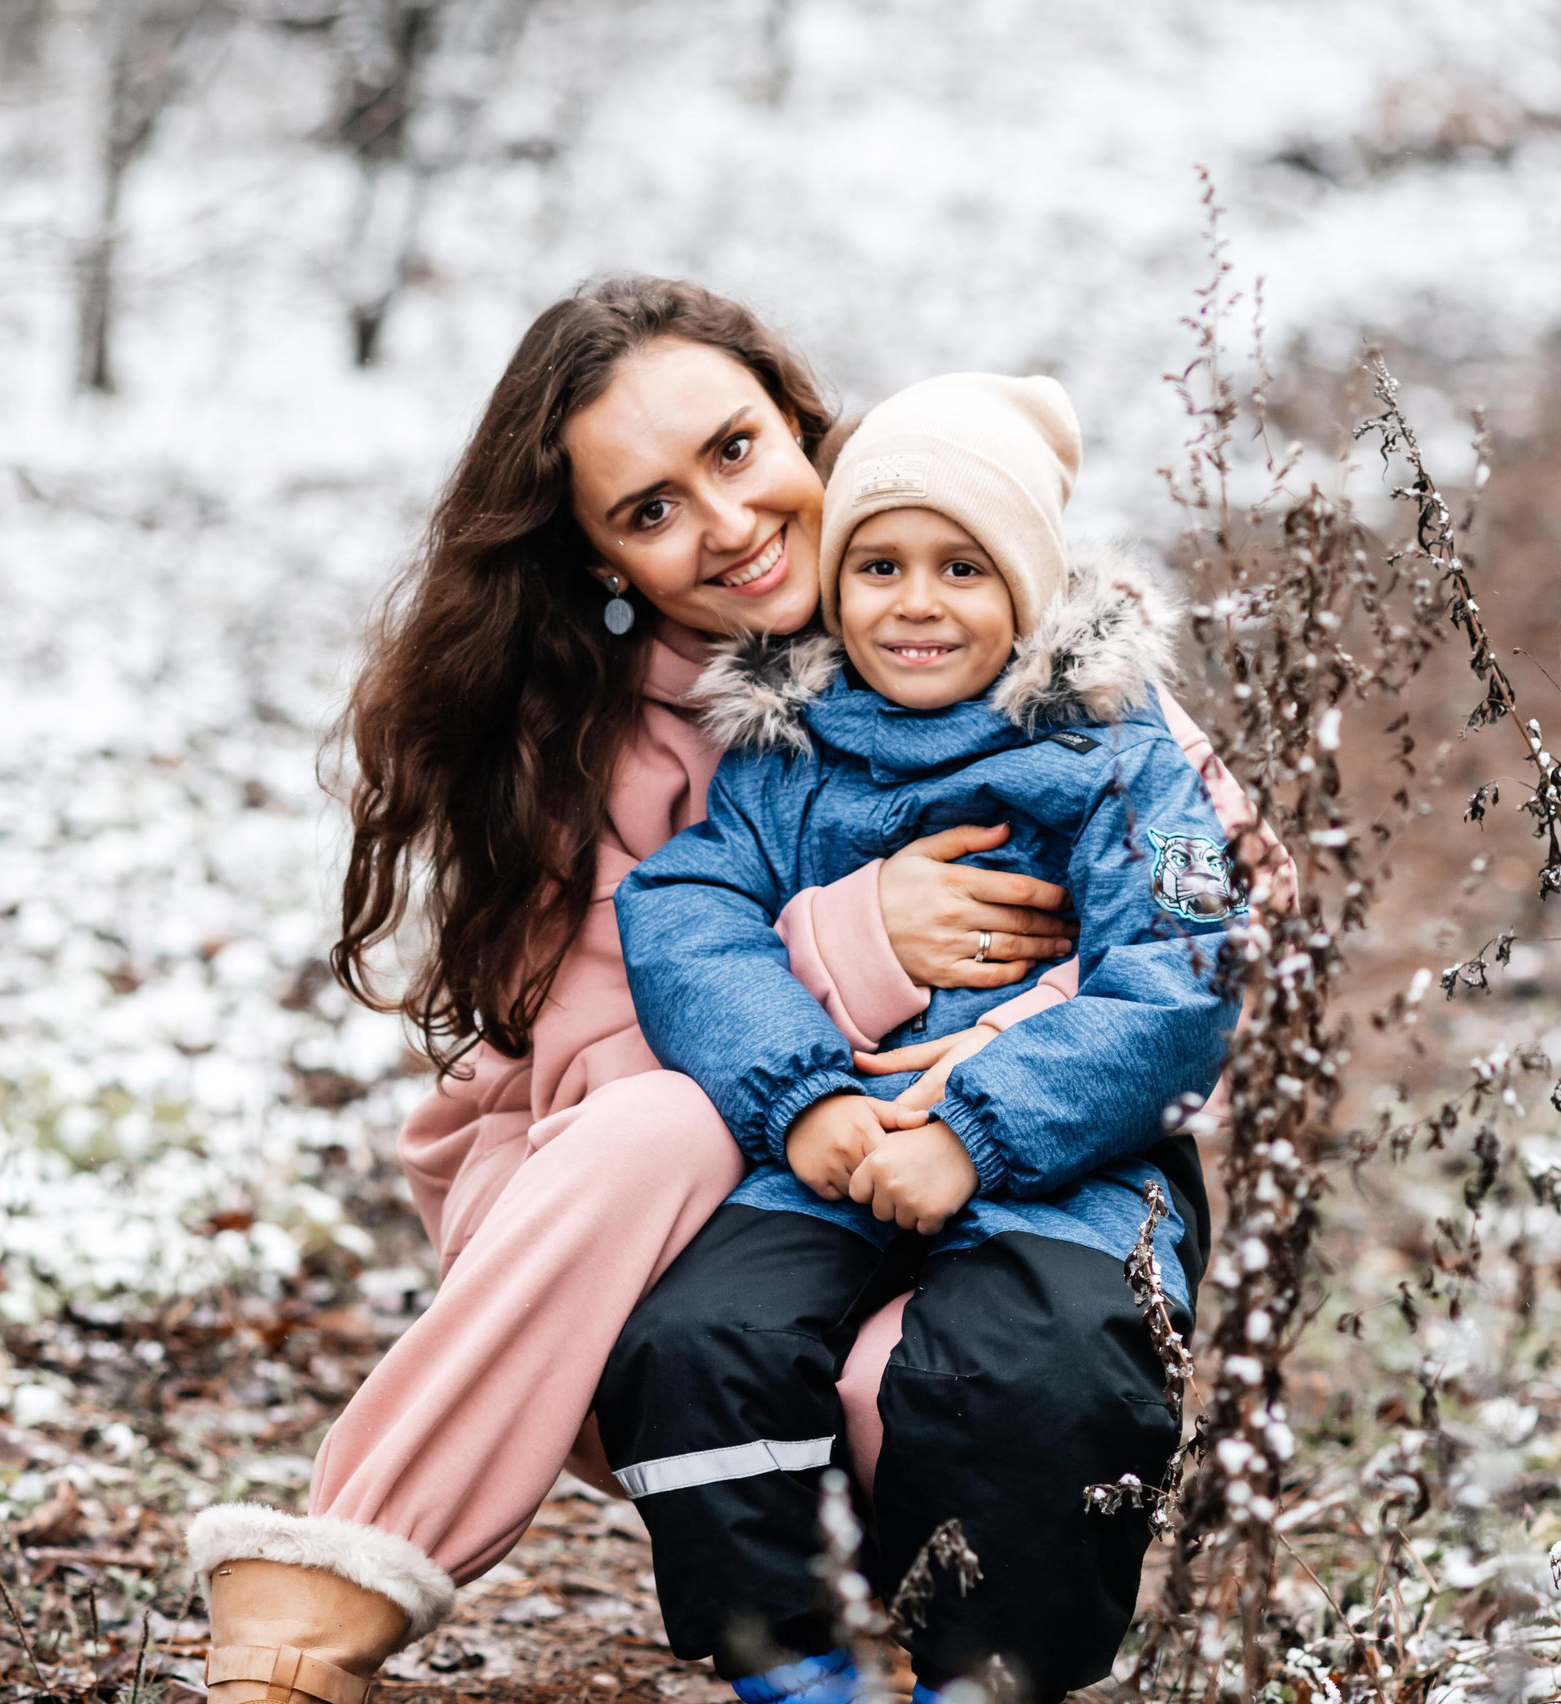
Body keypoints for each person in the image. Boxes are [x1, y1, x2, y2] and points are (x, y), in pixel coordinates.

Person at [182, 280, 1274, 1704]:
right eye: (649, 512)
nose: (728, 522)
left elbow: (1224, 910)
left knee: (953, 1376)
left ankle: (935, 1635)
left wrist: (984, 1090)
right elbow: (613, 1053)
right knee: (675, 1151)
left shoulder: (1003, 613)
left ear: (801, 426)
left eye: (738, 450)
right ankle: (321, 1594)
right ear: (604, 563)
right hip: (618, 1199)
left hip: (962, 1165)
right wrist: (863, 943)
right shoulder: (598, 734)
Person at [597, 374, 1242, 1704]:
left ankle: (988, 1674)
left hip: (1068, 1161)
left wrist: (979, 1125)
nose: (918, 601)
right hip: (825, 1150)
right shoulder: (791, 748)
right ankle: (795, 1665)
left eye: (963, 565)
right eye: (879, 565)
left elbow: (1182, 971)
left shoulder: (1117, 753)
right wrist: (802, 1101)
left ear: (1028, 583)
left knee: (1046, 1371)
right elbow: (687, 914)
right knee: (696, 1345)